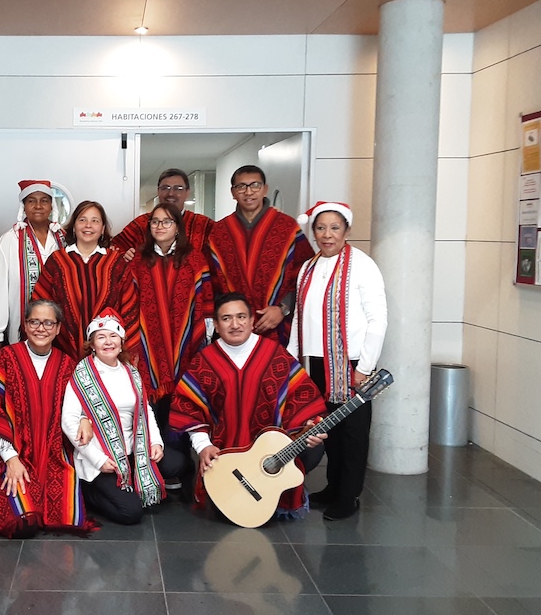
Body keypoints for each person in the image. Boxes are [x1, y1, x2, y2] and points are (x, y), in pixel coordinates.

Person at [171, 293, 328, 520]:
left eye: (241, 317)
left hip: (271, 456)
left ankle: (277, 487)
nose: (235, 325)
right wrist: (203, 446)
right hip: (226, 459)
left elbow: (301, 396)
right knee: (227, 512)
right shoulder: (204, 361)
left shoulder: (276, 355)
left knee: (314, 450)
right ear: (216, 324)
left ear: (252, 320)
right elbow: (188, 407)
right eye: (226, 319)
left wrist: (308, 427)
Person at [287, 201, 387, 521]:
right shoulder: (308, 267)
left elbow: (378, 320)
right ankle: (332, 487)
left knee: (353, 434)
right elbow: (299, 319)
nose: (327, 235)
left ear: (346, 230)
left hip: (350, 363)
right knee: (327, 430)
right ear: (312, 230)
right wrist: (292, 362)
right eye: (320, 228)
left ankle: (349, 496)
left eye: (334, 228)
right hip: (313, 361)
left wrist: (364, 368)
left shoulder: (362, 265)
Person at [0, 300, 97, 538]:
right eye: (34, 321)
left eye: (48, 323)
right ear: (25, 326)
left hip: (55, 456)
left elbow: (83, 403)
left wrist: (85, 418)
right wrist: (10, 458)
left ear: (58, 329)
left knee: (66, 518)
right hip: (14, 454)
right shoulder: (5, 359)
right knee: (22, 524)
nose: (41, 328)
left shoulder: (68, 365)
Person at [61, 308, 188, 525]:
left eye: (113, 336)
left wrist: (155, 442)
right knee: (131, 513)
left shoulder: (130, 371)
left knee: (178, 463)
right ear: (92, 344)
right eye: (101, 337)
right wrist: (98, 460)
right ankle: (88, 491)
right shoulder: (82, 375)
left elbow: (145, 409)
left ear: (121, 341)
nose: (108, 342)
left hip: (133, 448)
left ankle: (131, 481)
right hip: (103, 455)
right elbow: (69, 421)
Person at [125, 201, 213, 478]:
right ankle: (155, 468)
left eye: (166, 221)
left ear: (178, 228)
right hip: (148, 342)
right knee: (151, 406)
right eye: (154, 222)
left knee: (183, 402)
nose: (159, 226)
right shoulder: (139, 261)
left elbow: (206, 301)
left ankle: (181, 469)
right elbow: (127, 302)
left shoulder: (195, 259)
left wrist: (203, 339)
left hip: (186, 343)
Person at [208, 165, 314, 346]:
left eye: (255, 185)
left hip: (276, 325)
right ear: (233, 192)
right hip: (232, 326)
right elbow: (211, 283)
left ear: (265, 189)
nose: (248, 192)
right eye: (241, 186)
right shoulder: (218, 232)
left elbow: (307, 275)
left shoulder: (287, 228)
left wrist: (283, 309)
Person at [31, 201, 135, 358]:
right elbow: (41, 305)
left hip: (107, 353)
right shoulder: (57, 261)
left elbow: (129, 308)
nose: (88, 225)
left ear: (102, 229)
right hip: (62, 350)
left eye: (95, 221)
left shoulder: (116, 263)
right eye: (82, 219)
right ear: (74, 226)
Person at [0, 180, 66, 355]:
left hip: (62, 330)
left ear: (51, 206)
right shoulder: (10, 239)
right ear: (24, 206)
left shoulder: (63, 239)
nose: (38, 206)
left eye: (44, 200)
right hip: (21, 327)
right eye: (31, 201)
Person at [112, 168, 214, 255]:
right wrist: (125, 255)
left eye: (178, 189)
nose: (171, 193)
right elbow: (113, 248)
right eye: (165, 188)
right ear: (158, 191)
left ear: (187, 193)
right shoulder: (141, 223)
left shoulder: (204, 225)